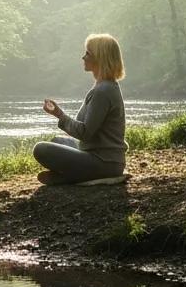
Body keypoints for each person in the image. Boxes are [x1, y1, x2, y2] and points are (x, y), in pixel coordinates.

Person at [33, 33, 128, 185]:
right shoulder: (105, 86)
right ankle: (75, 175)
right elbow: (84, 129)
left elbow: (84, 133)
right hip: (104, 156)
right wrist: (58, 114)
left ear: (100, 58)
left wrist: (59, 114)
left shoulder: (102, 91)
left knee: (41, 149)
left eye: (88, 53)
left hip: (105, 162)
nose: (83, 57)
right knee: (56, 141)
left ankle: (75, 177)